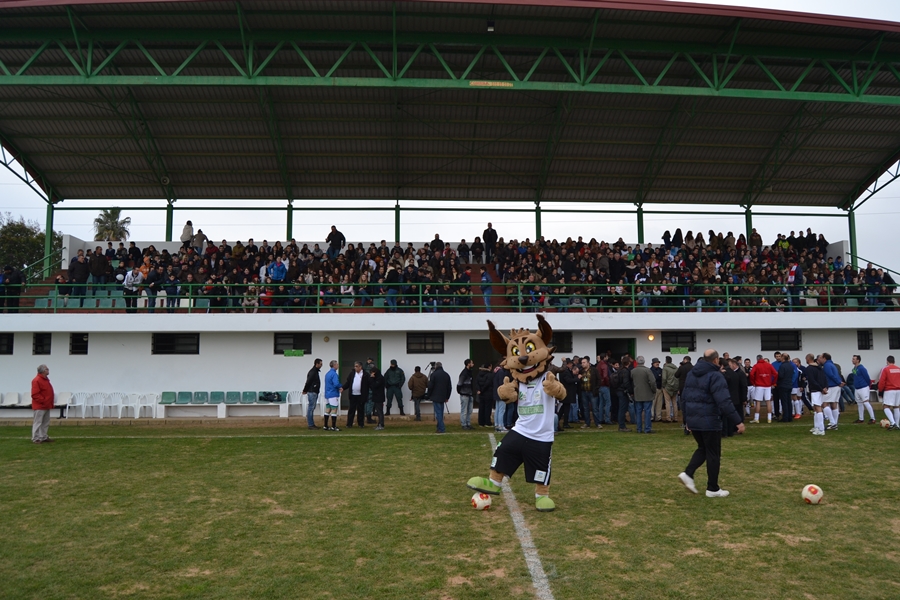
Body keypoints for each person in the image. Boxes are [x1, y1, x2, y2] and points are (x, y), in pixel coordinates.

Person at [677, 349, 745, 498]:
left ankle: (688, 473)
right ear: (716, 360)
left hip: (694, 419)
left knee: (703, 448)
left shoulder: (691, 374)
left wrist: (687, 419)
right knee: (713, 453)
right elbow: (724, 401)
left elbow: (684, 397)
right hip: (709, 420)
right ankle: (712, 488)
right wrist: (738, 421)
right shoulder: (715, 376)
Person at [631, 356, 657, 434]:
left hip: (637, 394)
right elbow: (652, 382)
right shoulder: (647, 370)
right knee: (647, 412)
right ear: (644, 362)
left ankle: (639, 428)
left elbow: (632, 382)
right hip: (647, 394)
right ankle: (647, 428)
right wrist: (654, 390)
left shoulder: (633, 371)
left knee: (638, 412)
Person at [749, 354, 778, 423]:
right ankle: (769, 418)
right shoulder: (769, 365)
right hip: (768, 385)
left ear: (757, 359)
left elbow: (751, 374)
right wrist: (773, 382)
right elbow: (776, 374)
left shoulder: (756, 366)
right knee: (768, 401)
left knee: (758, 402)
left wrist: (753, 382)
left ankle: (756, 418)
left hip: (759, 385)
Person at [723, 358, 748, 436]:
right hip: (737, 397)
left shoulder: (740, 373)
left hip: (738, 397)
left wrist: (744, 398)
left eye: (730, 364)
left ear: (734, 365)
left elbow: (743, 386)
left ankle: (738, 428)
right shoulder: (736, 373)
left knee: (738, 413)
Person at [31, 364, 55, 444]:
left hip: (46, 405)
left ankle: (43, 436)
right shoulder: (37, 380)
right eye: (46, 369)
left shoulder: (45, 379)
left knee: (45, 422)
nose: (48, 370)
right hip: (40, 405)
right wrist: (44, 401)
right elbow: (35, 394)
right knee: (38, 422)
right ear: (43, 371)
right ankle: (36, 438)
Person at [805, 353, 828, 436]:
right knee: (816, 408)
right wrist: (825, 387)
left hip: (816, 390)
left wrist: (821, 388)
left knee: (818, 408)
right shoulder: (819, 367)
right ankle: (817, 427)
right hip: (820, 389)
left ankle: (821, 429)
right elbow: (824, 378)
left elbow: (812, 380)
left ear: (808, 359)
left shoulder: (810, 368)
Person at [820, 352, 843, 430]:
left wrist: (838, 382)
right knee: (834, 404)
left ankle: (833, 423)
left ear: (824, 358)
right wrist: (839, 382)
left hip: (831, 386)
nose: (819, 359)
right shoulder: (832, 365)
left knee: (824, 404)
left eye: (821, 357)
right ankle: (835, 424)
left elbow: (830, 375)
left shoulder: (826, 365)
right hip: (836, 386)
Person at [427, 361, 452, 434]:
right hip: (443, 396)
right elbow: (449, 387)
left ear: (435, 367)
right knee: (440, 413)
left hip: (435, 396)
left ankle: (441, 428)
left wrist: (429, 395)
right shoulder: (446, 375)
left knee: (438, 413)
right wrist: (447, 397)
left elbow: (430, 386)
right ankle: (439, 427)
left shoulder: (433, 375)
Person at [850, 355, 876, 424]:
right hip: (857, 388)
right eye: (852, 359)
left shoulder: (862, 368)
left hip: (863, 387)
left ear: (858, 360)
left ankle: (873, 418)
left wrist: (867, 385)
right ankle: (861, 418)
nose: (852, 360)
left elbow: (867, 378)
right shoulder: (854, 369)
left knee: (866, 402)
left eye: (854, 359)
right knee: (859, 403)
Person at [876, 355, 900, 430]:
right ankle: (897, 424)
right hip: (898, 390)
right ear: (894, 361)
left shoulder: (886, 369)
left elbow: (882, 381)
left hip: (889, 390)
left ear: (887, 361)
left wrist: (880, 390)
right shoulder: (899, 369)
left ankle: (893, 423)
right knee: (896, 407)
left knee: (886, 406)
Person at [578, 357, 601, 429]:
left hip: (592, 391)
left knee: (595, 408)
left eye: (584, 362)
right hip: (584, 392)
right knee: (585, 408)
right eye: (582, 363)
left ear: (588, 363)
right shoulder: (581, 371)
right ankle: (587, 423)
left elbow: (599, 379)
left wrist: (597, 388)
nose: (582, 364)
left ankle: (597, 423)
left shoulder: (594, 370)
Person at [344, 361, 367, 428]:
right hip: (353, 395)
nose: (355, 368)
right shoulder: (352, 374)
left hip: (361, 395)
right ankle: (349, 424)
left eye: (356, 366)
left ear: (360, 367)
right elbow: (348, 383)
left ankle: (361, 424)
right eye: (354, 366)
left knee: (361, 410)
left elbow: (369, 384)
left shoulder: (365, 374)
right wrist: (343, 388)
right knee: (351, 410)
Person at [302, 358, 323, 430]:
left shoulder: (315, 371)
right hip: (312, 391)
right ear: (317, 364)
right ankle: (310, 424)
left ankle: (311, 424)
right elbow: (308, 382)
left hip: (313, 391)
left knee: (311, 408)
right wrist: (305, 390)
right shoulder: (313, 372)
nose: (321, 365)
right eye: (320, 364)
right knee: (311, 408)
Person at [776, 353, 795, 423]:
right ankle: (790, 416)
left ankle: (785, 417)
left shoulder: (782, 366)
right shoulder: (790, 365)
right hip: (789, 385)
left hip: (783, 385)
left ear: (783, 358)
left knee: (784, 402)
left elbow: (781, 376)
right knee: (788, 401)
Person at [323, 360, 342, 431]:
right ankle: (333, 426)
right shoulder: (334, 374)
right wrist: (340, 386)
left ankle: (325, 425)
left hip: (327, 394)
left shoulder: (327, 374)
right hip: (333, 393)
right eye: (337, 364)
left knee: (328, 409)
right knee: (334, 409)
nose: (338, 365)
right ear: (334, 365)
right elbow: (336, 384)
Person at [457, 359, 475, 430]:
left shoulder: (469, 372)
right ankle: (464, 424)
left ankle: (468, 423)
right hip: (464, 394)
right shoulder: (464, 373)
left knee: (469, 410)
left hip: (470, 393)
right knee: (464, 410)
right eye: (472, 363)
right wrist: (460, 391)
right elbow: (459, 383)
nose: (473, 364)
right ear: (468, 364)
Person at [476, 362, 494, 427]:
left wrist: (479, 390)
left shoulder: (479, 374)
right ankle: (487, 422)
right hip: (488, 393)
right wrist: (482, 390)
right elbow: (487, 383)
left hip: (481, 394)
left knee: (481, 407)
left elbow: (477, 383)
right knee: (487, 408)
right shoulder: (490, 374)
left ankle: (481, 422)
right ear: (489, 367)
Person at [661, 356, 679, 422]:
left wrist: (663, 385)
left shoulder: (665, 368)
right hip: (675, 387)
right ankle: (676, 418)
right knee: (674, 403)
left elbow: (664, 378)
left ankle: (668, 417)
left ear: (666, 361)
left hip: (667, 387)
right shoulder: (676, 368)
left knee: (667, 402)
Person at [369, 366, 386, 430]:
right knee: (378, 411)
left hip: (379, 396)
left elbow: (374, 386)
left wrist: (372, 378)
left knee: (379, 411)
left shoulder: (380, 378)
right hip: (376, 396)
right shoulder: (377, 378)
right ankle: (379, 424)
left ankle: (381, 424)